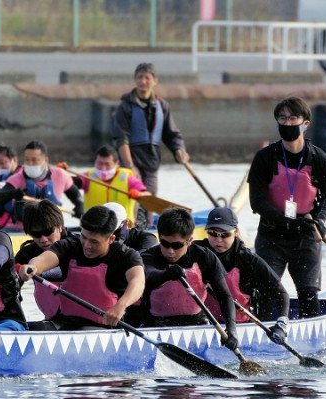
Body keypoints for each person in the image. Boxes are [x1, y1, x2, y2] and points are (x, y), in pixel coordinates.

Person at [247, 96, 326, 319]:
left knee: (308, 294)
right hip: (271, 235)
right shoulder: (264, 157)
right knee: (265, 291)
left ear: (305, 124)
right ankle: (264, 330)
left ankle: (311, 330)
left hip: (306, 235)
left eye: (293, 118)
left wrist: (320, 220)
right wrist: (285, 221)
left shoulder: (319, 158)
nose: (287, 123)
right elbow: (256, 202)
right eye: (282, 118)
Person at [18, 206, 145, 331]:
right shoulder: (69, 245)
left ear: (111, 239)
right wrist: (32, 266)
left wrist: (121, 305)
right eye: (83, 237)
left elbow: (138, 281)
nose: (87, 246)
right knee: (37, 328)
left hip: (107, 328)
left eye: (94, 242)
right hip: (66, 324)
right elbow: (45, 258)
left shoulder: (127, 255)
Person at [140, 208, 238, 351]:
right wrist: (166, 275)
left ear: (190, 240)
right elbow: (148, 276)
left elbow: (224, 296)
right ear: (159, 237)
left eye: (177, 246)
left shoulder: (204, 257)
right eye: (165, 244)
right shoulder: (149, 256)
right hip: (155, 325)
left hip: (196, 323)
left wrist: (231, 329)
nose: (170, 251)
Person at [196, 207, 290, 344]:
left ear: (236, 233)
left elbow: (282, 293)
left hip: (241, 326)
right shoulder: (196, 252)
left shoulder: (248, 259)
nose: (218, 240)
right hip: (204, 324)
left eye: (225, 234)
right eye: (213, 233)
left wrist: (281, 324)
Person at [112, 62, 190, 228]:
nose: (143, 81)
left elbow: (171, 134)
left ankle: (146, 231)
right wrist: (130, 166)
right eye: (140, 77)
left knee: (150, 201)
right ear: (135, 79)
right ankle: (128, 230)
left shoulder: (162, 106)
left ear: (155, 81)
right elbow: (121, 139)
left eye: (147, 78)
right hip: (131, 162)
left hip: (151, 163)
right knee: (134, 200)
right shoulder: (125, 106)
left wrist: (179, 150)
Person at [0, 140, 84, 229]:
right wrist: (12, 193)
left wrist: (79, 205)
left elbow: (76, 195)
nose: (30, 164)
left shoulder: (60, 175)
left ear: (46, 160)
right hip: (21, 230)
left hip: (51, 231)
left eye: (34, 160)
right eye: (27, 160)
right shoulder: (16, 179)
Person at [15, 199, 70, 329]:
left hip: (83, 319)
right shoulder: (27, 253)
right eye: (36, 234)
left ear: (60, 226)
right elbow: (10, 289)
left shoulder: (76, 246)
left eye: (48, 232)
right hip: (53, 320)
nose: (43, 239)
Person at [73, 145, 150, 225]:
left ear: (116, 163)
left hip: (123, 227)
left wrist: (138, 194)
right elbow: (70, 183)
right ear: (95, 161)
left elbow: (147, 194)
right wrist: (64, 174)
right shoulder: (87, 177)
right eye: (100, 163)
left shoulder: (128, 178)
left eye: (107, 164)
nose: (103, 168)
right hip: (94, 226)